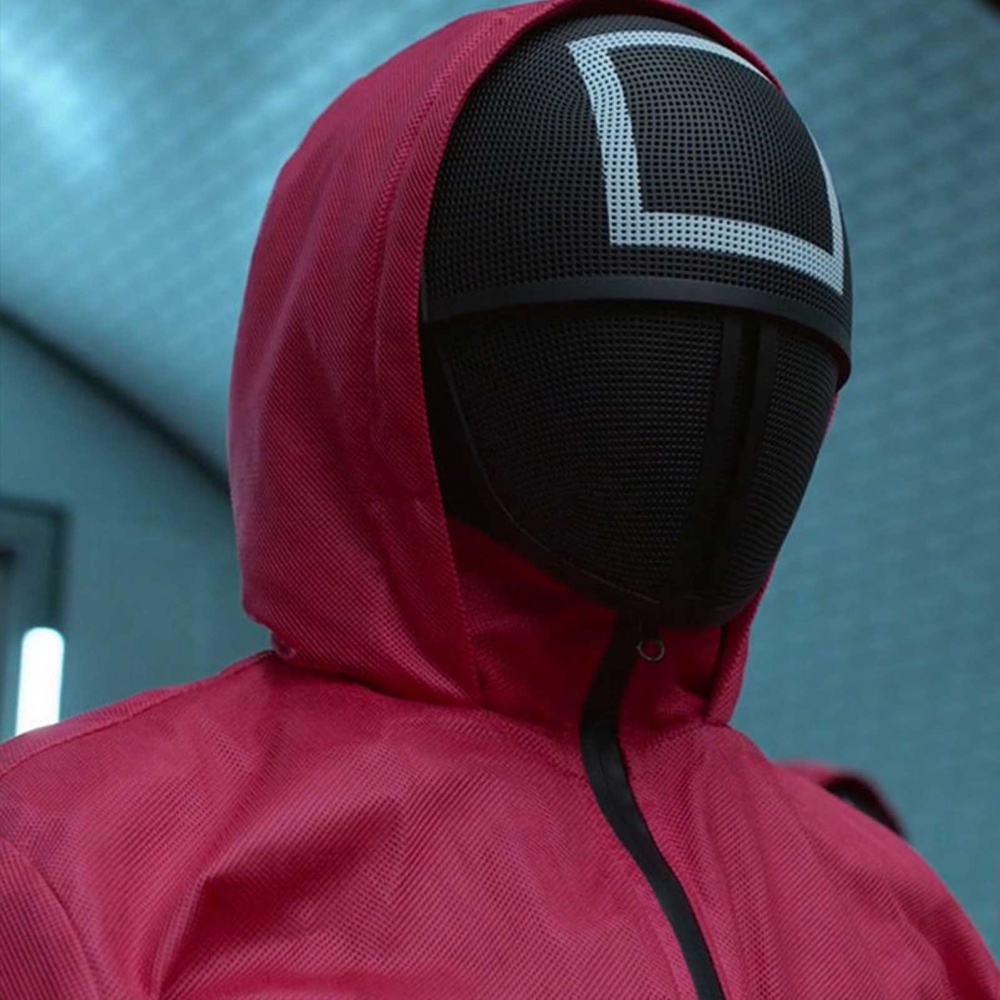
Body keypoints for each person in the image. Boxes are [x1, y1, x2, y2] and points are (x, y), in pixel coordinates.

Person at [2, 2, 998, 997]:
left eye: (766, 358)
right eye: (622, 349)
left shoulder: (894, 909)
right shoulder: (73, 860)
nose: (711, 415)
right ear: (372, 357)